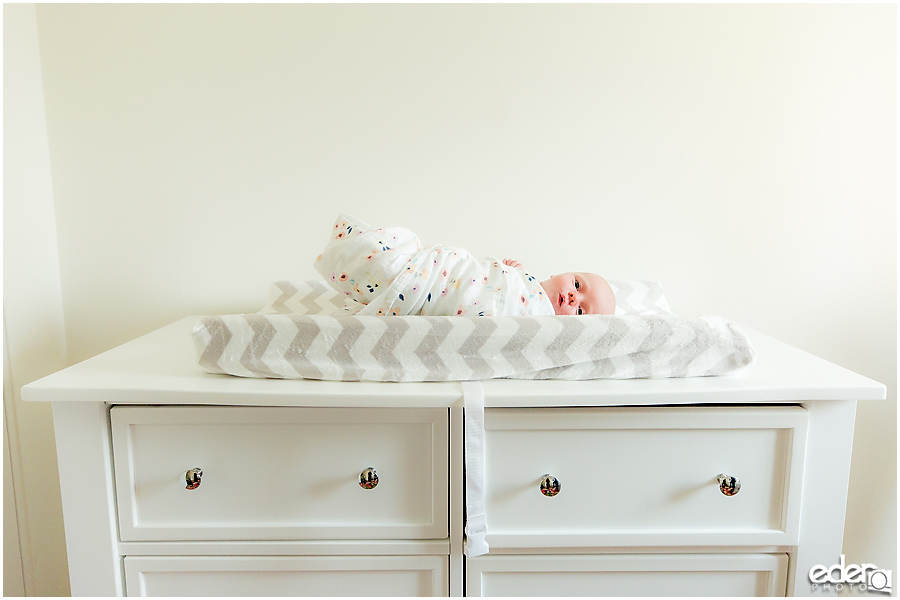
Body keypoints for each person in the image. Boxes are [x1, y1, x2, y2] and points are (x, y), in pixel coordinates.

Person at [315, 215, 615, 317]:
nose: (575, 298)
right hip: (448, 269)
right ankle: (356, 249)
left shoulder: (541, 318)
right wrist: (507, 268)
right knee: (403, 245)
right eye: (578, 285)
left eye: (580, 311)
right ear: (560, 274)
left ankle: (354, 257)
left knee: (391, 272)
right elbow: (492, 278)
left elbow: (501, 301)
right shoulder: (530, 281)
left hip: (440, 287)